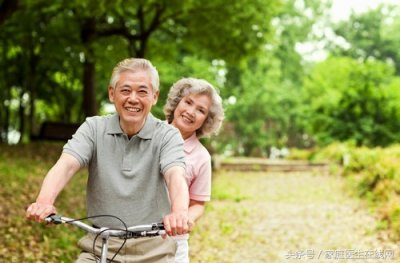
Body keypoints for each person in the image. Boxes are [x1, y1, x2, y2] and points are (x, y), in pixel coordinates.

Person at [26, 58, 190, 262]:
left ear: (154, 97)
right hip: (100, 245)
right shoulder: (93, 128)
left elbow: (175, 175)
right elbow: (66, 165)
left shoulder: (167, 135)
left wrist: (179, 212)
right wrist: (44, 202)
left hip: (154, 248)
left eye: (142, 91)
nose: (133, 98)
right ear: (112, 93)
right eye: (125, 90)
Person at [163, 78, 224, 263]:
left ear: (207, 120)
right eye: (188, 102)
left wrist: (182, 220)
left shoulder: (201, 157)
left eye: (201, 110)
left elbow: (198, 203)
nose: (191, 112)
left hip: (173, 243)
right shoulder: (147, 134)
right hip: (133, 236)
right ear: (176, 103)